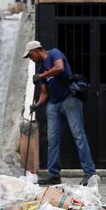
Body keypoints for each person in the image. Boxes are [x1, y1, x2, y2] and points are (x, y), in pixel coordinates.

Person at [24, 41, 96, 186]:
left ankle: (90, 173)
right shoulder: (41, 69)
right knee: (52, 140)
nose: (31, 59)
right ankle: (54, 175)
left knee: (79, 135)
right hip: (54, 103)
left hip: (70, 99)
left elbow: (60, 68)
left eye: (30, 56)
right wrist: (35, 105)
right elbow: (44, 93)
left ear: (36, 51)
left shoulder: (54, 54)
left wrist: (42, 75)